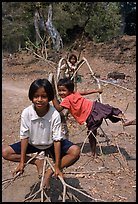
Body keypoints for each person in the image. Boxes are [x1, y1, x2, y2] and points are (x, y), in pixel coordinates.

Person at [2, 78, 80, 189]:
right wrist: (22, 162)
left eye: (43, 97)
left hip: (51, 143)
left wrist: (57, 167)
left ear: (49, 97)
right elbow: (24, 137)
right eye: (36, 96)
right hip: (33, 143)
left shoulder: (54, 114)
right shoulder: (27, 112)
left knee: (75, 151)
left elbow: (57, 140)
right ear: (31, 97)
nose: (39, 100)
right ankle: (37, 161)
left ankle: (49, 171)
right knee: (5, 152)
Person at [52, 77, 135, 157]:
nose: (61, 93)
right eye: (59, 91)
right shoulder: (73, 94)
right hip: (93, 110)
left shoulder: (67, 99)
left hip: (91, 111)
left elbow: (59, 108)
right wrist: (96, 91)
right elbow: (84, 92)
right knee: (110, 111)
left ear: (70, 90)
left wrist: (52, 97)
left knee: (92, 132)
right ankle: (123, 119)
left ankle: (93, 152)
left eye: (64, 90)